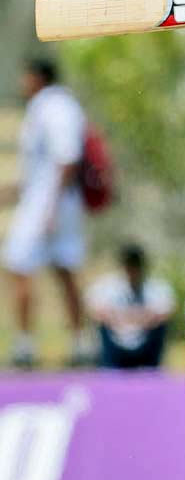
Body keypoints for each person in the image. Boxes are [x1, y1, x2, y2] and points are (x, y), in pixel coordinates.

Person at [1, 58, 90, 368]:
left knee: (18, 264)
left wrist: (50, 208)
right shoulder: (46, 106)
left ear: (38, 77)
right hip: (50, 201)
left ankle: (26, 346)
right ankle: (80, 343)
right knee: (63, 268)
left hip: (51, 204)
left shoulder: (55, 106)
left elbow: (67, 158)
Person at [85, 244, 174, 368]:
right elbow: (96, 311)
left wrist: (125, 317)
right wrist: (137, 316)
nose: (132, 271)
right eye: (128, 265)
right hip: (114, 345)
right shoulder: (106, 286)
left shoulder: (157, 287)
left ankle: (151, 371)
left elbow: (164, 312)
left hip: (146, 345)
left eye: (135, 265)